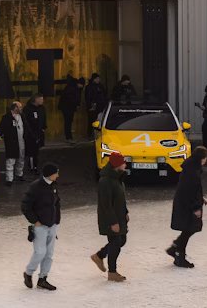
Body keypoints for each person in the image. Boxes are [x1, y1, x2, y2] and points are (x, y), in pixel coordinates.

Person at [20, 163, 61, 291]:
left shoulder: (53, 186)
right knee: (40, 252)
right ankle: (29, 273)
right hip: (40, 226)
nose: (58, 175)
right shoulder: (35, 187)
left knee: (48, 254)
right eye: (56, 173)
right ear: (50, 174)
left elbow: (56, 204)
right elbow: (25, 206)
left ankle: (43, 278)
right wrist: (34, 221)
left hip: (52, 225)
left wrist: (57, 221)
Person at [166, 146, 207, 268]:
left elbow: (192, 189)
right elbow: (191, 190)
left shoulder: (190, 168)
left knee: (189, 228)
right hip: (188, 204)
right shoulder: (193, 171)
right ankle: (179, 254)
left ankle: (176, 250)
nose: (205, 160)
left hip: (184, 202)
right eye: (205, 158)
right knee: (189, 228)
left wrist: (201, 199)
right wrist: (196, 207)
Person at [91, 152, 129, 282]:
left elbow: (120, 199)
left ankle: (99, 255)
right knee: (115, 243)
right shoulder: (106, 181)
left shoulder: (117, 178)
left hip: (119, 216)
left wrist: (125, 213)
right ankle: (112, 272)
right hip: (111, 218)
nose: (125, 164)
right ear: (116, 165)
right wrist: (113, 222)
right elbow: (106, 204)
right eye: (123, 162)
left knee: (121, 241)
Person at [0, 102, 26, 185]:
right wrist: (1, 135)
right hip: (11, 141)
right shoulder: (7, 117)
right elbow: (1, 127)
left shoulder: (22, 117)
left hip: (21, 140)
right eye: (20, 107)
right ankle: (9, 179)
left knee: (21, 158)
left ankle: (19, 174)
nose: (21, 108)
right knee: (11, 160)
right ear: (15, 108)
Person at [22, 95, 47, 177]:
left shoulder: (41, 108)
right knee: (32, 151)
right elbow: (26, 122)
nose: (42, 101)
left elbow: (43, 118)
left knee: (36, 150)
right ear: (36, 100)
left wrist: (43, 127)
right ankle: (32, 167)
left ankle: (35, 166)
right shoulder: (28, 109)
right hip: (31, 133)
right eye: (41, 99)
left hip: (39, 132)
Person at [58, 76, 83, 141]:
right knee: (68, 122)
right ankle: (69, 137)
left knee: (68, 122)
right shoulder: (72, 89)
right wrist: (76, 105)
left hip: (68, 108)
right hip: (68, 108)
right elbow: (71, 99)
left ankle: (69, 137)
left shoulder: (72, 88)